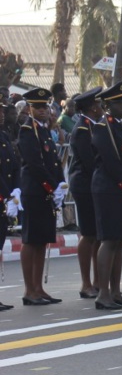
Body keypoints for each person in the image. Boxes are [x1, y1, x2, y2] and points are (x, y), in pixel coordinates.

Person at [90, 82, 122, 310]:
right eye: (118, 103)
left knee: (121, 240)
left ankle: (115, 291)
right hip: (109, 189)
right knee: (109, 239)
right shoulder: (104, 128)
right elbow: (111, 161)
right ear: (107, 106)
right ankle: (103, 293)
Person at [18, 88, 67, 305]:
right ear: (29, 109)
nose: (43, 110)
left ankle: (39, 288)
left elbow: (54, 162)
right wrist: (51, 187)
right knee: (31, 240)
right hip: (35, 191)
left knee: (42, 241)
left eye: (45, 106)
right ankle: (30, 290)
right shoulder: (28, 131)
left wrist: (60, 186)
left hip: (46, 192)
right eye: (38, 107)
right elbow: (34, 164)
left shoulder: (44, 130)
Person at [68, 87, 103, 299]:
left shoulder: (92, 126)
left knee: (98, 234)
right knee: (89, 234)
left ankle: (98, 280)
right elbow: (89, 161)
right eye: (98, 104)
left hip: (93, 183)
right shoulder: (82, 129)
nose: (100, 107)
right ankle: (86, 283)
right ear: (92, 107)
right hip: (84, 184)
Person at [0, 102, 20, 311]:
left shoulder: (4, 137)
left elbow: (14, 166)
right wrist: (6, 195)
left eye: (2, 110)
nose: (2, 114)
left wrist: (16, 191)